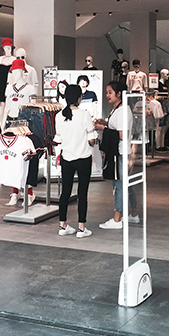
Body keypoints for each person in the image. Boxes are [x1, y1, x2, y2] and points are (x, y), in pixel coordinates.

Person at [54, 84, 96, 239]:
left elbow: (58, 140)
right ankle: (81, 228)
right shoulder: (85, 114)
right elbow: (92, 140)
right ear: (80, 98)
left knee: (65, 192)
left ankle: (62, 225)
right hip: (83, 158)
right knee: (82, 193)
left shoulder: (59, 116)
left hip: (67, 158)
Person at [94, 81, 139, 229]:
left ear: (119, 93)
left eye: (110, 92)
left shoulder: (122, 111)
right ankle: (133, 213)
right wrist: (105, 123)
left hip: (120, 151)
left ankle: (117, 218)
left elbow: (122, 134)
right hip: (120, 151)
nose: (107, 95)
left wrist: (103, 128)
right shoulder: (117, 109)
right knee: (126, 183)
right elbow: (116, 128)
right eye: (106, 92)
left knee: (119, 183)